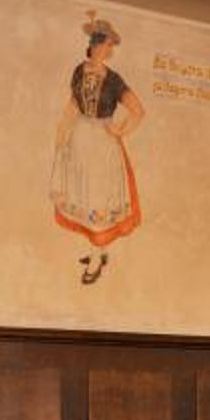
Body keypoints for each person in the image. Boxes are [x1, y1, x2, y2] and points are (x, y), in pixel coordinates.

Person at [50, 17, 144, 283]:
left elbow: (138, 111)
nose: (105, 50)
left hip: (102, 146)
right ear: (93, 46)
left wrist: (121, 130)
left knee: (98, 200)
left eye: (108, 46)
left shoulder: (113, 80)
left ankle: (95, 257)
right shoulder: (79, 71)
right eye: (102, 45)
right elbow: (73, 103)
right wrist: (62, 130)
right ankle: (98, 251)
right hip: (80, 139)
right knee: (84, 197)